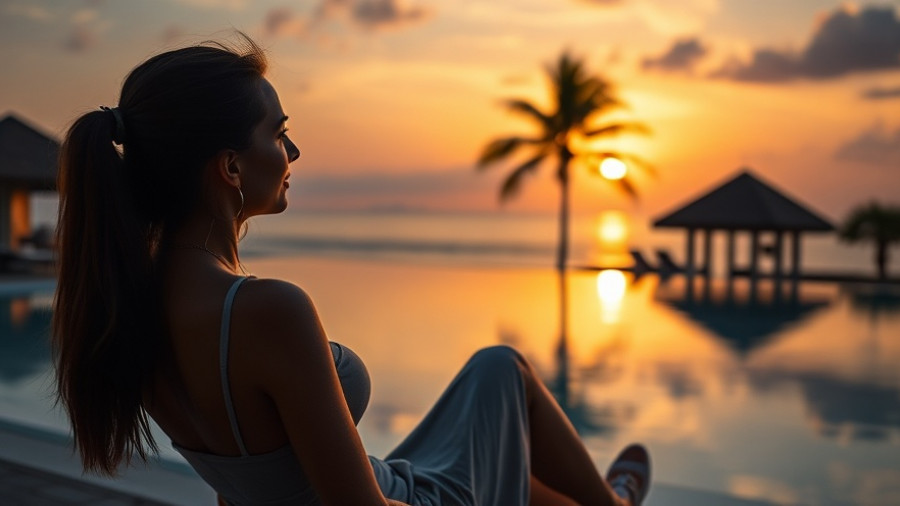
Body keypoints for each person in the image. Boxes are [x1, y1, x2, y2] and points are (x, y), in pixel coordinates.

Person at [52, 34, 651, 506]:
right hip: (402, 498)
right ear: (231, 167)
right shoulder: (265, 310)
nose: (292, 153)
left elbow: (236, 476)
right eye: (279, 134)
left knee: (495, 455)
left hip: (385, 479)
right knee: (502, 369)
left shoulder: (132, 303)